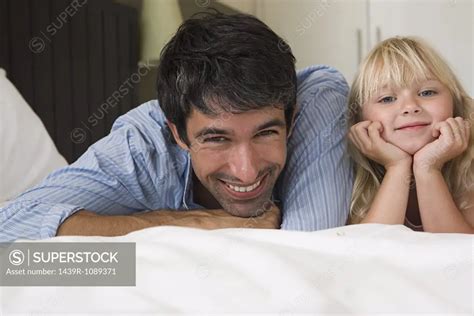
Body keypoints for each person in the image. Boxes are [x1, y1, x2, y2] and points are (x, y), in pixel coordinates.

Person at [0, 13, 353, 242]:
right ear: (178, 134)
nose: (246, 171)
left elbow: (311, 251)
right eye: (216, 138)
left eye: (265, 133)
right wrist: (196, 223)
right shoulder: (141, 149)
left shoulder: (316, 99)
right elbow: (8, 230)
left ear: (290, 120)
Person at [347, 36, 474, 233]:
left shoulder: (469, 169)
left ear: (456, 105)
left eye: (427, 93)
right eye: (387, 98)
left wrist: (428, 168)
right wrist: (396, 167)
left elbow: (460, 257)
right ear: (360, 120)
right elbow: (369, 254)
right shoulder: (349, 174)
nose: (410, 107)